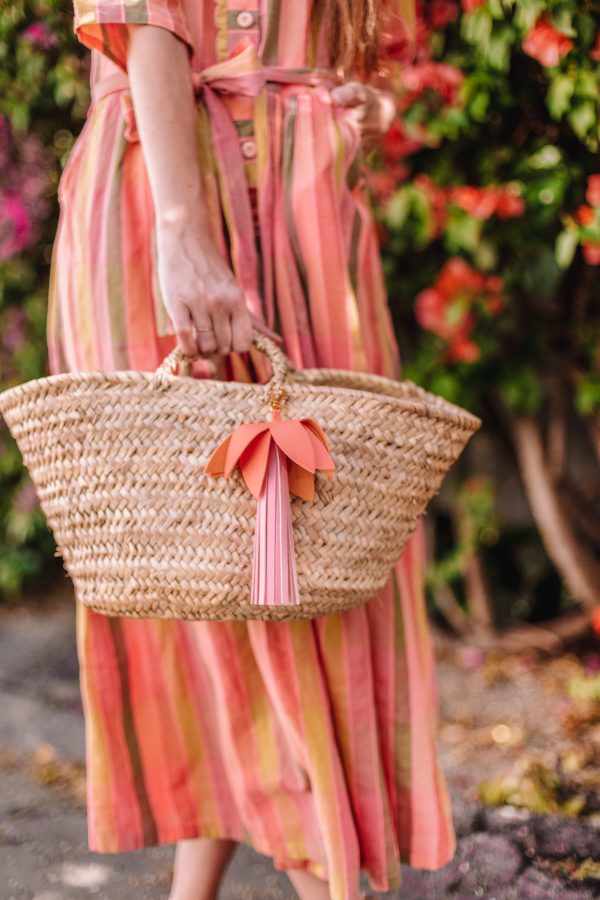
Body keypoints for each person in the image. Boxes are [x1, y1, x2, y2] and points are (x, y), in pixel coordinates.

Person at [46, 1, 457, 898]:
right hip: (172, 194)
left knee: (307, 548)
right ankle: (323, 872)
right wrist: (184, 227)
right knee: (215, 549)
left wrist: (347, 110)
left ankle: (212, 886)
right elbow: (150, 15)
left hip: (299, 213)